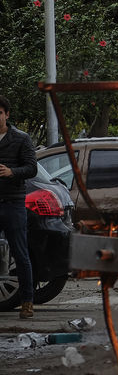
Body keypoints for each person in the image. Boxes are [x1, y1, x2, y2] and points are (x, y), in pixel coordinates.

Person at [0, 95, 38, 319]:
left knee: (20, 253)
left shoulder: (21, 138)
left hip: (13, 202)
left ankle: (27, 301)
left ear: (7, 114)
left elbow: (32, 168)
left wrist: (11, 172)